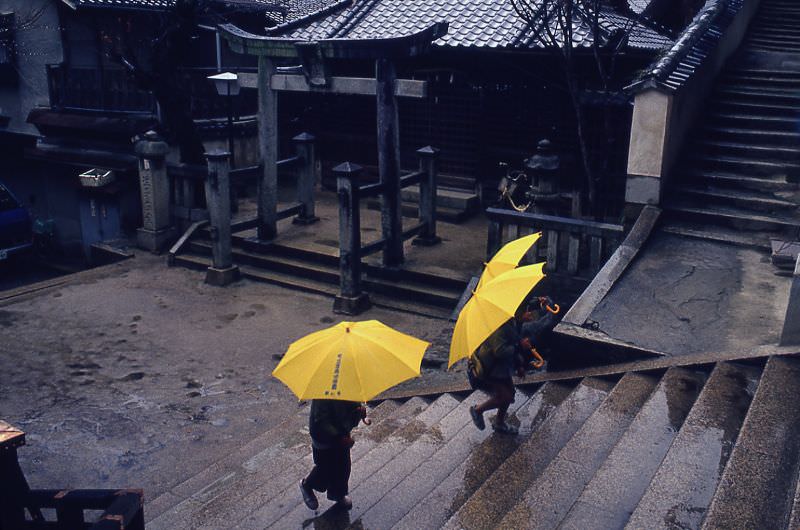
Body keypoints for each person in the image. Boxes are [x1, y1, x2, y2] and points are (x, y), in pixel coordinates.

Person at [467, 300, 537, 435]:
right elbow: (499, 351)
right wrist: (519, 346)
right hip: (491, 368)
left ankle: (499, 423)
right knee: (505, 397)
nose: (529, 313)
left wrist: (519, 365)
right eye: (525, 311)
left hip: (502, 367)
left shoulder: (514, 322)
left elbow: (513, 340)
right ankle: (477, 410)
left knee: (510, 394)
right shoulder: (500, 327)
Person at [300, 399, 367, 511]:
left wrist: (359, 412)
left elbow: (353, 407)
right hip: (324, 437)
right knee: (325, 468)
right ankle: (307, 484)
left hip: (342, 432)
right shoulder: (322, 395)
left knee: (344, 466)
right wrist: (339, 437)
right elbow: (321, 420)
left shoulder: (349, 388)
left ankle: (338, 494)